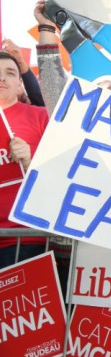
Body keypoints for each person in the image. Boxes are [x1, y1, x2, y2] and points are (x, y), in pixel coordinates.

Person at [0, 51, 49, 268]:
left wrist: (29, 163)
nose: (2, 78)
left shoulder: (40, 116)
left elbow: (63, 177)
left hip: (26, 240)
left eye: (10, 73)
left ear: (19, 83)